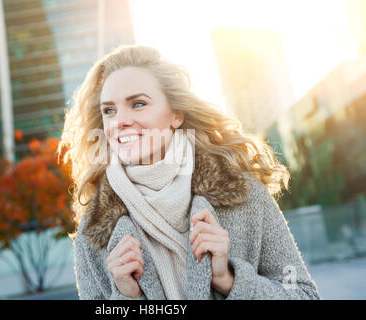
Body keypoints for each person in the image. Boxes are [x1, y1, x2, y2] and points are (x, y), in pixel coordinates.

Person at [57, 44, 321, 300]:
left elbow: (302, 295)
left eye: (138, 104)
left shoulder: (244, 194)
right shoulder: (93, 234)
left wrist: (229, 281)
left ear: (176, 114)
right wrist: (125, 297)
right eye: (109, 110)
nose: (120, 121)